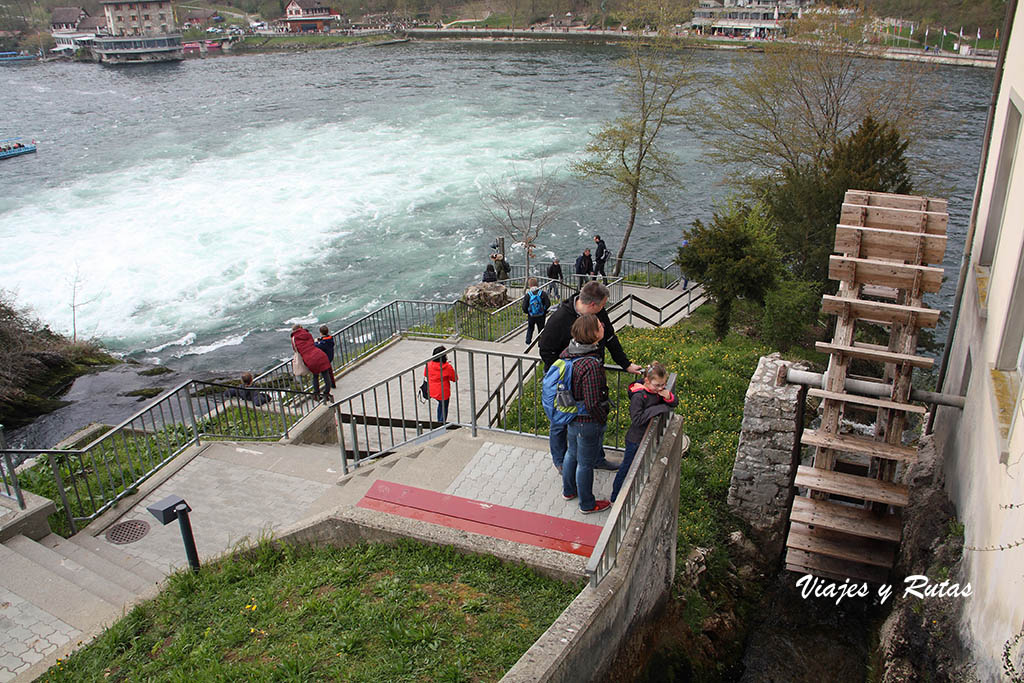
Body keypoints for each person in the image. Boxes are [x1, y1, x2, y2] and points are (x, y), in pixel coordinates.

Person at [538, 281, 642, 473]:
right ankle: (561, 461)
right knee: (560, 420)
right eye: (603, 304)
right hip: (564, 380)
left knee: (591, 419)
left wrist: (625, 364)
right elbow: (545, 349)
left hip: (589, 375)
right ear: (593, 304)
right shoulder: (560, 318)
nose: (604, 309)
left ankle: (596, 458)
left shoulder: (598, 314)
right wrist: (566, 371)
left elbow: (610, 338)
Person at [560, 315, 612, 515]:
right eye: (600, 325)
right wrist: (601, 417)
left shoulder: (569, 352)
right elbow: (592, 402)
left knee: (571, 453)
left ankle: (568, 490)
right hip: (586, 421)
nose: (603, 326)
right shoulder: (590, 364)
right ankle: (587, 504)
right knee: (585, 463)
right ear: (593, 334)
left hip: (571, 415)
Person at [611, 362, 678, 502]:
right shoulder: (639, 397)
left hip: (645, 437)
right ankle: (615, 497)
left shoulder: (655, 391)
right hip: (636, 440)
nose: (661, 388)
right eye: (657, 385)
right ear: (647, 381)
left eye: (663, 385)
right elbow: (637, 419)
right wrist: (660, 408)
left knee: (637, 467)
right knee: (627, 468)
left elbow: (674, 402)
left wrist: (668, 397)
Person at [291, 324, 333, 402]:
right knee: (326, 375)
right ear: (301, 328)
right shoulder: (307, 334)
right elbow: (312, 343)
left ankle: (316, 395)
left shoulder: (294, 338)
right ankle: (326, 394)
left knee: (315, 376)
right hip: (320, 354)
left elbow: (296, 350)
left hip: (310, 359)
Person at [425, 346, 458, 423]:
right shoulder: (447, 367)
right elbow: (455, 378)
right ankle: (441, 423)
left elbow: (426, 374)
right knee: (444, 407)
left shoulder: (428, 364)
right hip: (443, 392)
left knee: (440, 405)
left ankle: (439, 421)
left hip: (432, 390)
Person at [521, 276, 551, 346]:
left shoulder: (528, 295)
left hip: (531, 316)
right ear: (537, 284)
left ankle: (528, 341)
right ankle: (540, 343)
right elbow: (548, 304)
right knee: (541, 329)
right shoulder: (542, 293)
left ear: (529, 285)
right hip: (541, 315)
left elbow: (524, 307)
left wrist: (528, 312)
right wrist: (544, 310)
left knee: (530, 328)